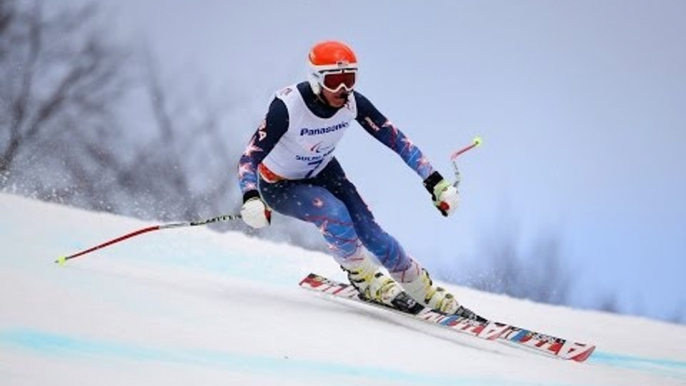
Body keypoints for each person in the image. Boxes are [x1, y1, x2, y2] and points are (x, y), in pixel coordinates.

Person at [237, 40, 460, 314]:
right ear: (316, 80)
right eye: (335, 81)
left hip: (326, 173)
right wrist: (251, 197)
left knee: (374, 235)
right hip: (280, 186)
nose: (343, 90)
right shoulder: (287, 107)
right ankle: (364, 278)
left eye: (349, 79)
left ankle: (422, 289)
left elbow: (398, 141)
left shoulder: (353, 103)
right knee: (335, 213)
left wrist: (435, 181)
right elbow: (249, 157)